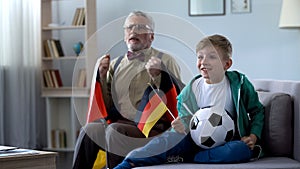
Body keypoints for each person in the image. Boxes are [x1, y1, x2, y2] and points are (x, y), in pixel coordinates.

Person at [114, 34, 265, 169]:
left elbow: (257, 111)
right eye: (200, 57)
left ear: (227, 64)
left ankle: (194, 157)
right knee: (166, 140)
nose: (204, 62)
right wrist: (182, 125)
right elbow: (186, 120)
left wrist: (253, 136)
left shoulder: (239, 84)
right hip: (194, 141)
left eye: (212, 57)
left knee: (240, 150)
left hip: (228, 143)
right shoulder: (191, 90)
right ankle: (129, 162)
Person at [72, 11, 182, 169]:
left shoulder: (165, 60)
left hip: (152, 129)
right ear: (125, 35)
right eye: (129, 27)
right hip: (120, 124)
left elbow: (177, 99)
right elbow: (107, 106)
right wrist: (102, 77)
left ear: (151, 36)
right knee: (90, 129)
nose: (134, 31)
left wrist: (160, 76)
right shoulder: (114, 64)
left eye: (140, 27)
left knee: (114, 131)